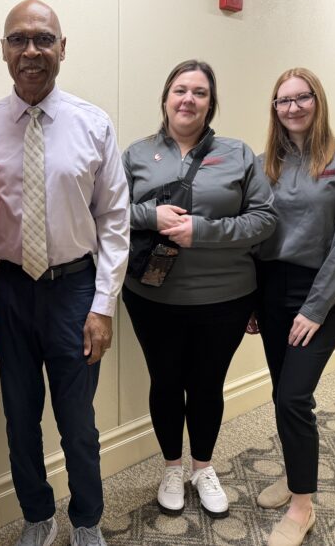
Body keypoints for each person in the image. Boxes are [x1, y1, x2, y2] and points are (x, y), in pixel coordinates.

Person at [0, 0, 129, 546]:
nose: (31, 50)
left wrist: (103, 307)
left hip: (75, 291)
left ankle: (85, 521)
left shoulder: (93, 124)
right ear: (3, 51)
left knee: (78, 423)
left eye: (43, 39)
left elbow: (115, 221)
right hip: (9, 292)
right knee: (20, 417)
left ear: (62, 48)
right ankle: (38, 515)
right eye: (18, 40)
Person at [122, 60, 277, 518]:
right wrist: (151, 217)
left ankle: (202, 467)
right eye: (180, 90)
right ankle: (172, 466)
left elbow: (265, 219)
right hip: (152, 298)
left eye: (200, 92)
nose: (188, 99)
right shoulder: (137, 153)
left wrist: (202, 231)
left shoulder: (237, 154)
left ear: (211, 103)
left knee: (207, 385)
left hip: (225, 299)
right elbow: (106, 213)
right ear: (166, 98)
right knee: (165, 382)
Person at [249, 67, 335, 546]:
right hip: (272, 291)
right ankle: (293, 473)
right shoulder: (264, 165)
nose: (293, 107)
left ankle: (303, 506)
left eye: (302, 98)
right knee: (282, 393)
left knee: (295, 398)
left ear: (318, 102)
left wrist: (317, 306)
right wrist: (253, 300)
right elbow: (257, 234)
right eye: (283, 101)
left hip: (319, 293)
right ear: (275, 110)